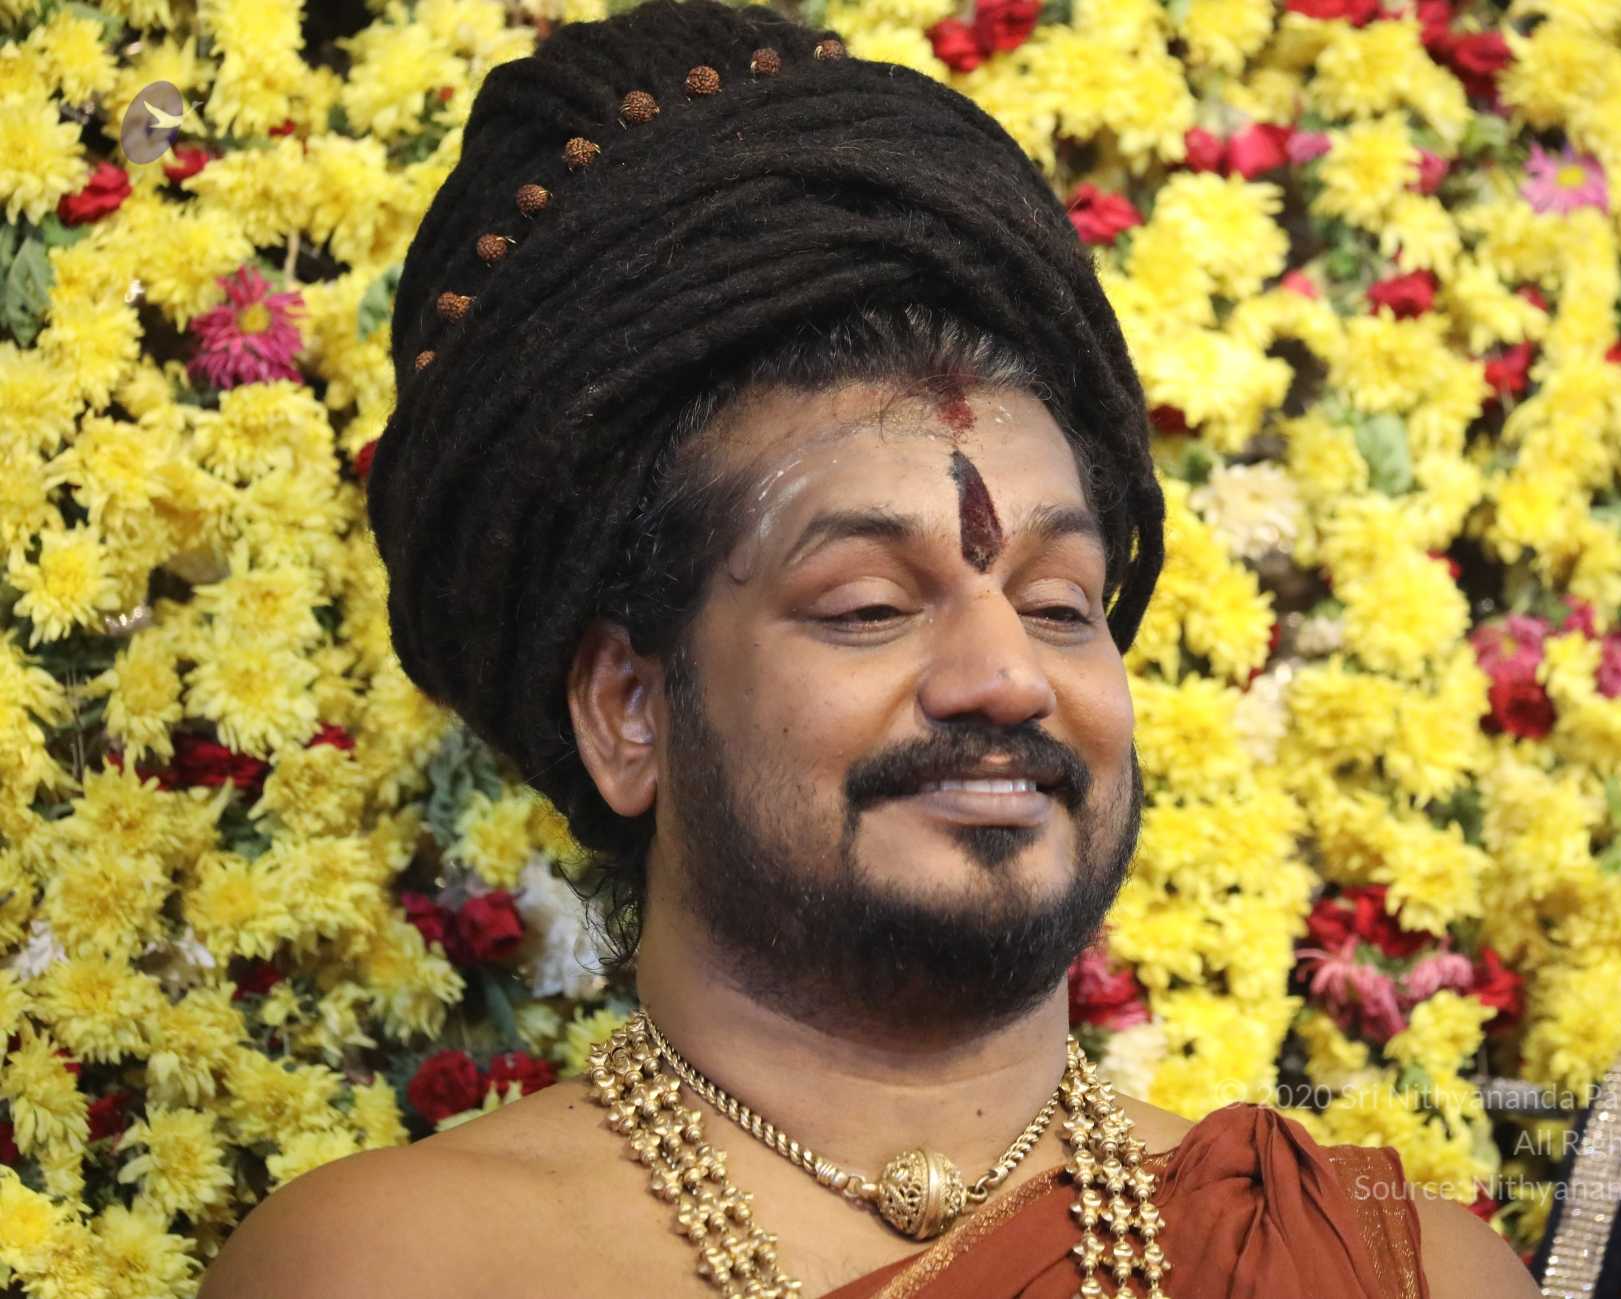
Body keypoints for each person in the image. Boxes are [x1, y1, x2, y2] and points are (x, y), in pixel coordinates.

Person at [200, 1, 1543, 1295]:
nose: (1006, 678)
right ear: (627, 709)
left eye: (1060, 603)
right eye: (866, 608)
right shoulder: (397, 1269)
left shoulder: (1396, 1273)